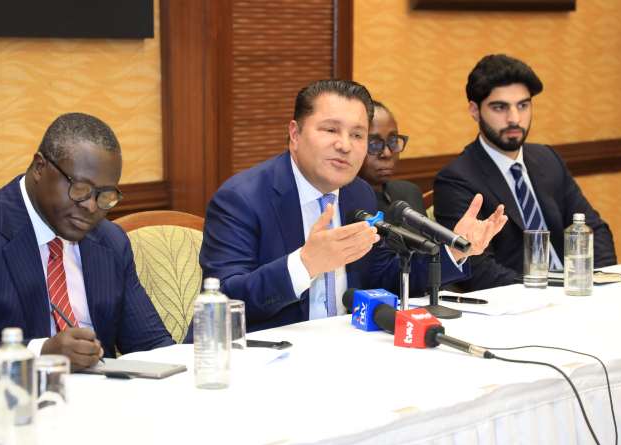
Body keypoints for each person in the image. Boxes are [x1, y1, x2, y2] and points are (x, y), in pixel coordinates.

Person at [199, 79, 507, 333]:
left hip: (350, 347)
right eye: (330, 130)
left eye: (357, 135)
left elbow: (384, 276)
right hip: (267, 357)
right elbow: (224, 301)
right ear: (295, 134)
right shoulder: (241, 199)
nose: (345, 145)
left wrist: (454, 250)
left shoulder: (358, 194)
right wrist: (305, 264)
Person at [0, 113, 175, 395]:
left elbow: (153, 347)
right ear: (39, 167)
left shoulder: (110, 242)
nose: (91, 207)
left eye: (105, 195)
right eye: (80, 189)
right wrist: (40, 354)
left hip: (100, 405)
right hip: (9, 406)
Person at [434, 54, 617, 291]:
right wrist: (551, 290)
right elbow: (478, 270)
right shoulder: (456, 179)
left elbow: (594, 229)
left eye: (523, 105)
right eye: (500, 107)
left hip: (575, 292)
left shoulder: (547, 158)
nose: (515, 118)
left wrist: (598, 283)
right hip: (520, 299)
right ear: (474, 110)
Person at [358, 101, 425, 215]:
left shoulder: (409, 192)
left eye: (393, 141)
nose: (387, 153)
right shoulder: (338, 201)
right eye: (374, 143)